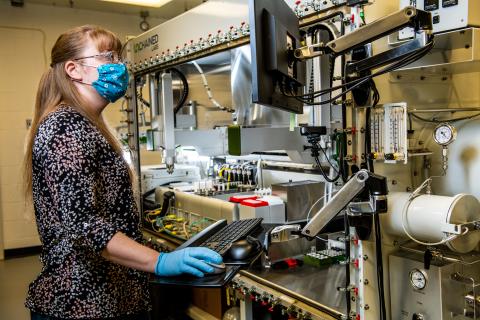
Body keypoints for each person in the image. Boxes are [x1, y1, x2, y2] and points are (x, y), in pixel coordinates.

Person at [23, 25, 222, 320]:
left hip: (110, 298)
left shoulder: (87, 124)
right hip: (82, 304)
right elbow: (85, 226)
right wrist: (160, 261)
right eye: (107, 57)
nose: (118, 67)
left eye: (119, 57)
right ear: (73, 69)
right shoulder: (65, 126)